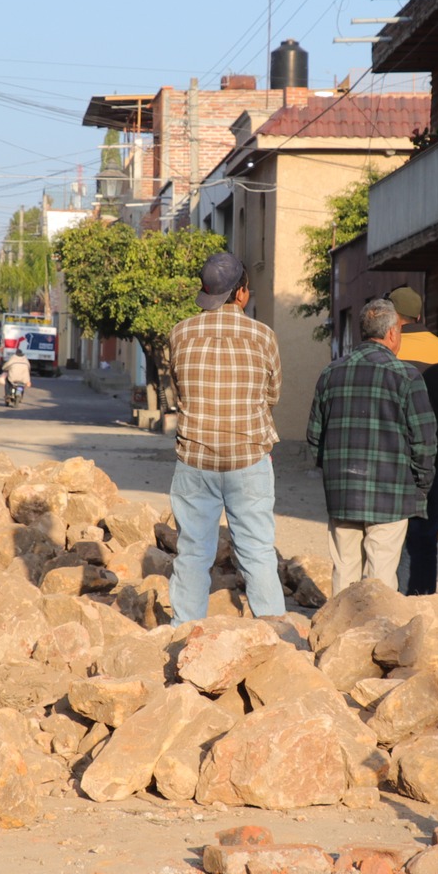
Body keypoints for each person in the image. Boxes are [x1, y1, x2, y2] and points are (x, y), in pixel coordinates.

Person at [167, 251, 284, 622]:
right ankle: (274, 634)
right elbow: (273, 395)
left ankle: (183, 632)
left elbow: (177, 392)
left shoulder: (180, 333)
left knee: (192, 552)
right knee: (257, 550)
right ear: (242, 293)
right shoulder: (263, 336)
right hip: (248, 458)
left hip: (194, 460)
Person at [306, 297, 437, 596]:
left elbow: (315, 437)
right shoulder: (407, 375)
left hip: (343, 491)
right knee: (380, 577)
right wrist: (421, 485)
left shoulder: (330, 373)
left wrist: (336, 473)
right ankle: (376, 637)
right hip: (390, 493)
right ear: (392, 333)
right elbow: (425, 441)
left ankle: (339, 637)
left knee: (345, 573)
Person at [386, 286, 438, 595]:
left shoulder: (388, 347)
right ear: (419, 314)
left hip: (391, 449)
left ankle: (388, 597)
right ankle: (423, 598)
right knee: (426, 534)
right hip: (434, 447)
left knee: (388, 534)